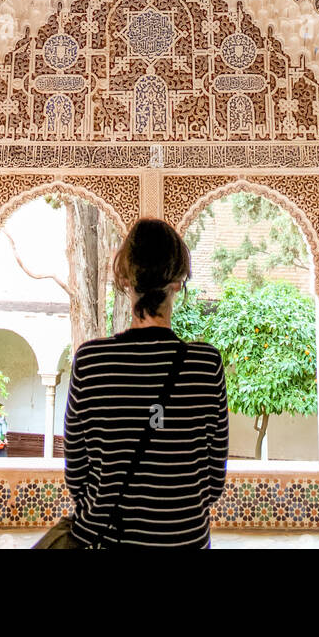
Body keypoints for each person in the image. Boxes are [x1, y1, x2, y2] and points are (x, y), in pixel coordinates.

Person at [64, 217, 229, 548]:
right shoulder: (205, 364)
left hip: (109, 538)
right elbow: (213, 480)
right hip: (184, 540)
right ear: (179, 282)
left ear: (125, 279)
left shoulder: (90, 361)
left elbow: (77, 474)